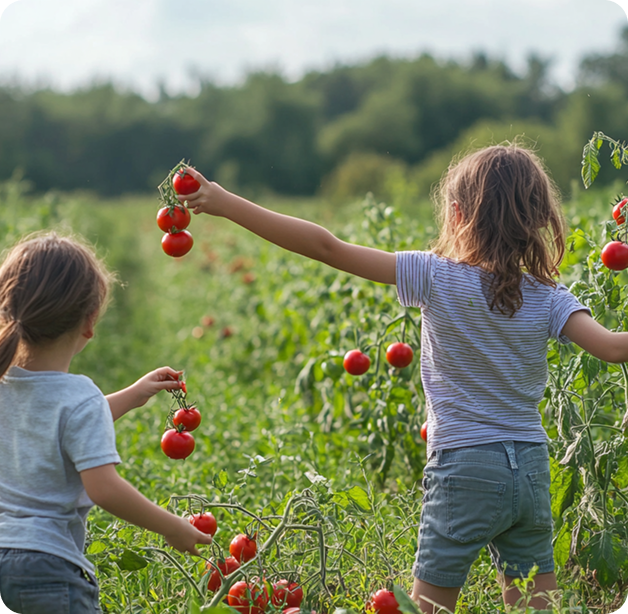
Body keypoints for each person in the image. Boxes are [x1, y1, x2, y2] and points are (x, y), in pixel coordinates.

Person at [176, 144, 628, 613]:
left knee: (428, 609)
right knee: (538, 604)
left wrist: (226, 203)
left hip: (464, 466)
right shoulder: (550, 296)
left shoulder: (432, 275)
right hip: (531, 470)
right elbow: (615, 348)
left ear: (457, 214)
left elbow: (326, 246)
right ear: (539, 217)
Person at [0, 232, 213, 614]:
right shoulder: (79, 397)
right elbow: (104, 489)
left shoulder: (5, 385)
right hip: (48, 567)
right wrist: (171, 526)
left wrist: (133, 394)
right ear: (89, 322)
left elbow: (56, 425)